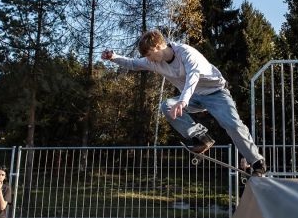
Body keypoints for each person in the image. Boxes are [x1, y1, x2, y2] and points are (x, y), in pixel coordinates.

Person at [101, 29, 267, 176]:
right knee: (166, 106)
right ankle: (201, 137)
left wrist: (183, 101)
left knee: (232, 125)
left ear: (159, 45)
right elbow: (133, 63)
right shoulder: (154, 61)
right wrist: (114, 57)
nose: (149, 60)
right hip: (193, 97)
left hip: (215, 93)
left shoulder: (186, 52)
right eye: (147, 57)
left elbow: (192, 77)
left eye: (150, 55)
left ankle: (257, 162)